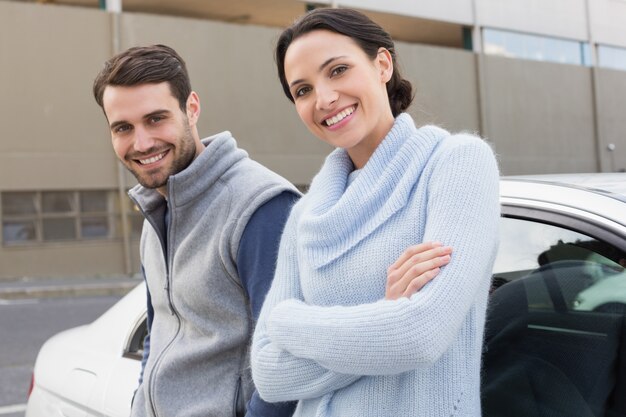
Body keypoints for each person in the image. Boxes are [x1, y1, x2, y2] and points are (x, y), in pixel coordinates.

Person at [251, 8, 500, 417]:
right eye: (302, 90)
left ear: (382, 64)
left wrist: (287, 322)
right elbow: (268, 373)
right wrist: (384, 315)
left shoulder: (455, 164)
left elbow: (419, 336)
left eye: (338, 70)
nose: (324, 98)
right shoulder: (306, 214)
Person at [91, 45, 301, 417]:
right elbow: (159, 334)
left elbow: (289, 356)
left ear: (192, 108)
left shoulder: (260, 206)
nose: (141, 143)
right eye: (123, 128)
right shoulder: (158, 207)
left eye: (156, 119)